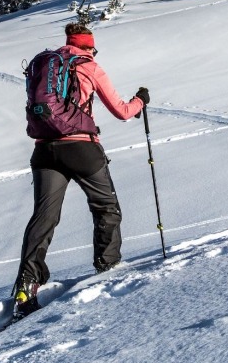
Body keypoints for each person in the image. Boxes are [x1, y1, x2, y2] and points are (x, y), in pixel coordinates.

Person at [13, 23, 149, 316]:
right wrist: (141, 100)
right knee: (106, 207)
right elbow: (122, 111)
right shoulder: (89, 67)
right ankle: (108, 266)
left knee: (44, 217)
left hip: (44, 149)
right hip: (82, 149)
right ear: (88, 47)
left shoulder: (46, 65)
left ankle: (26, 286)